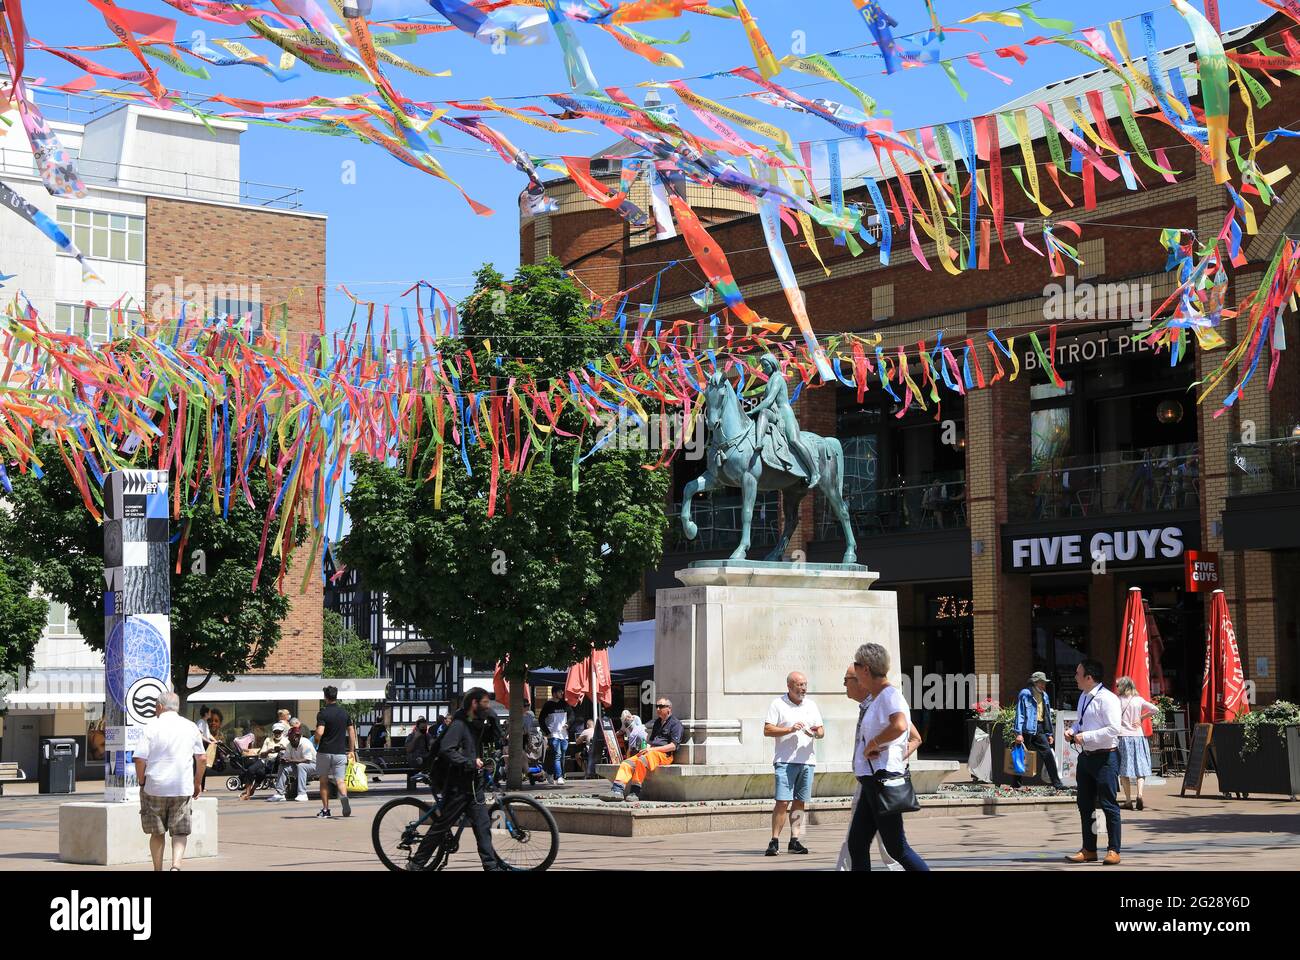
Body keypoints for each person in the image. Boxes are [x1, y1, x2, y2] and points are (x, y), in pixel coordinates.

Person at [846, 643, 929, 871]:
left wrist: (874, 743)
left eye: (856, 666)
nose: (854, 671)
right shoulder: (879, 697)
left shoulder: (889, 695)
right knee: (857, 843)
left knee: (897, 848)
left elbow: (900, 725)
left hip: (881, 780)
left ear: (865, 669)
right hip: (871, 780)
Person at [417, 687, 503, 871]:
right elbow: (446, 750)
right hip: (457, 785)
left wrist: (494, 718)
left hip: (474, 785)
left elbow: (495, 738)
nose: (488, 707)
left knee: (483, 827)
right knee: (442, 826)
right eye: (485, 703)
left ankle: (491, 867)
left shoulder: (475, 724)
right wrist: (469, 762)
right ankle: (416, 864)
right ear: (474, 703)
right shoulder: (459, 725)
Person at [133, 691, 206, 872]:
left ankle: (158, 869)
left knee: (157, 832)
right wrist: (197, 782)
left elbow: (140, 759)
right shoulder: (190, 727)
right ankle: (175, 866)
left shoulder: (151, 727)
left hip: (154, 787)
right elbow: (202, 758)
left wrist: (142, 781)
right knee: (180, 831)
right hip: (182, 787)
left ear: (159, 706)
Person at [1064, 659, 1123, 865]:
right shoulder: (1083, 696)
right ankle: (1089, 849)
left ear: (1089, 678)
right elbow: (1081, 722)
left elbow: (1114, 729)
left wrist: (1086, 736)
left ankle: (1113, 850)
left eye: (1078, 673)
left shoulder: (1108, 699)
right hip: (1086, 757)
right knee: (1085, 804)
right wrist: (1073, 730)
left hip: (1105, 757)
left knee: (1108, 804)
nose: (1075, 677)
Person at [763, 671, 825, 856]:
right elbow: (767, 729)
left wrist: (814, 733)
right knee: (782, 802)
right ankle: (774, 841)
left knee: (799, 802)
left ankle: (794, 841)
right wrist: (789, 729)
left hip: (807, 761)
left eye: (805, 684)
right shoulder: (777, 704)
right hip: (785, 761)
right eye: (799, 685)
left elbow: (821, 731)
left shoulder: (811, 705)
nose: (803, 688)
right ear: (789, 686)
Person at [749, 352, 819, 487]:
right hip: (775, 414)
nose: (764, 369)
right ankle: (759, 443)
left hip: (785, 413)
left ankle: (814, 471)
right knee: (763, 413)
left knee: (794, 440)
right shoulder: (770, 380)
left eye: (766, 365)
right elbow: (768, 405)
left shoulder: (777, 378)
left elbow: (769, 400)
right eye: (762, 366)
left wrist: (752, 411)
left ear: (773, 364)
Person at [608, 697, 683, 801]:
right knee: (627, 763)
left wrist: (651, 750)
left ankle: (634, 792)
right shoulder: (657, 722)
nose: (658, 709)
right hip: (651, 752)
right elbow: (651, 741)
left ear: (669, 708)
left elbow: (673, 746)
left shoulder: (676, 724)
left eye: (661, 706)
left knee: (642, 760)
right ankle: (617, 790)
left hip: (664, 755)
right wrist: (646, 747)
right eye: (657, 706)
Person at [1013, 671, 1066, 790]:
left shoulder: (1045, 695)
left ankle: (1057, 784)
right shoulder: (1025, 694)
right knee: (1020, 756)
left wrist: (1049, 733)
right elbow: (1020, 714)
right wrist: (1018, 733)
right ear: (1034, 682)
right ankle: (1016, 785)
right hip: (1026, 729)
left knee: (1048, 754)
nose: (1043, 685)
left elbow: (1046, 715)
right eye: (1041, 683)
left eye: (1044, 683)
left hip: (1040, 728)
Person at [1115, 676, 1158, 811]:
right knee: (1141, 768)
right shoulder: (1138, 700)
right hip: (1138, 737)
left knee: (1123, 770)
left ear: (1123, 687)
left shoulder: (1118, 701)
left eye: (1118, 685)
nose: (1116, 688)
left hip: (1123, 737)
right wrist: (1141, 717)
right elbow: (1155, 709)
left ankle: (1128, 801)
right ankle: (1139, 794)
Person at [314, 685, 358, 819]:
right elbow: (351, 732)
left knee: (324, 781)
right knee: (340, 780)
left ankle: (326, 810)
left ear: (325, 697)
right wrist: (351, 750)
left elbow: (320, 732)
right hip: (340, 752)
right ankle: (344, 797)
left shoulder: (323, 713)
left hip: (325, 752)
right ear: (336, 696)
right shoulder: (344, 713)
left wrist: (316, 740)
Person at [240, 721, 289, 800]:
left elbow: (289, 753)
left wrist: (282, 749)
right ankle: (248, 792)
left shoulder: (286, 741)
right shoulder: (268, 740)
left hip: (277, 762)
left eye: (279, 732)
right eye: (275, 732)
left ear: (282, 732)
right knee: (251, 769)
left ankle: (252, 790)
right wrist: (268, 751)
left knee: (262, 772)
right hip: (265, 760)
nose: (277, 734)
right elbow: (261, 754)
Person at [270, 724, 317, 802]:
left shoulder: (305, 743)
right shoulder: (290, 744)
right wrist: (283, 760)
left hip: (315, 766)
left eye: (292, 738)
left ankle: (302, 794)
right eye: (289, 738)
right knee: (283, 766)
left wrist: (291, 760)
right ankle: (280, 794)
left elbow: (307, 760)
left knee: (302, 766)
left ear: (297, 737)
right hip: (299, 766)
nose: (290, 740)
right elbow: (287, 757)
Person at [539, 689, 575, 785]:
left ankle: (549, 772)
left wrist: (568, 724)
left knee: (561, 755)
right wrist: (547, 732)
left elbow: (572, 715)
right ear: (554, 693)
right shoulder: (548, 705)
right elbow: (541, 719)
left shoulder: (564, 704)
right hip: (553, 735)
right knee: (557, 755)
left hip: (564, 735)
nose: (562, 693)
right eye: (559, 692)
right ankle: (559, 776)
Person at [405, 717, 432, 789]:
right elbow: (408, 750)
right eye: (422, 728)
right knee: (423, 760)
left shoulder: (427, 736)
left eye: (425, 728)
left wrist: (432, 744)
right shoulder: (411, 736)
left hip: (425, 759)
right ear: (417, 728)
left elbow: (431, 749)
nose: (424, 729)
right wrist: (415, 738)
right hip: (414, 759)